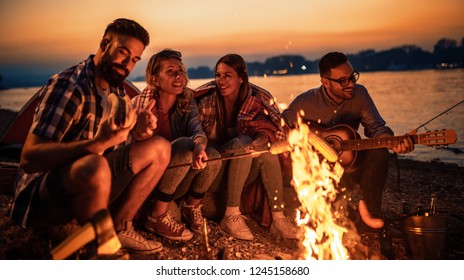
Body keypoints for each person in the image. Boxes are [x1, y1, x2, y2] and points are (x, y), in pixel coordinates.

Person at [10, 18, 171, 256]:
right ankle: (103, 249)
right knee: (95, 164)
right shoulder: (70, 86)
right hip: (43, 196)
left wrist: (135, 132)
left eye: (134, 60)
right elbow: (29, 158)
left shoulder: (116, 88)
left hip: (94, 182)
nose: (127, 64)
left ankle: (117, 229)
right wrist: (97, 144)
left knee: (160, 147)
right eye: (122, 53)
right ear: (105, 43)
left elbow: (115, 142)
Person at [281, 51, 415, 232]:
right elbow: (283, 125)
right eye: (343, 80)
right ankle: (341, 215)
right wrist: (307, 138)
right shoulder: (305, 102)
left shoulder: (360, 94)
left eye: (352, 77)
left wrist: (391, 142)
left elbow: (376, 127)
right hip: (321, 175)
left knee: (379, 151)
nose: (351, 84)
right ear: (325, 82)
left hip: (352, 165)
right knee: (330, 222)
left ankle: (371, 216)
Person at [195, 54, 298, 240]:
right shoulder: (207, 101)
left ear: (241, 77)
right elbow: (195, 136)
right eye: (218, 75)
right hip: (213, 170)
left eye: (227, 75)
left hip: (243, 171)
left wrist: (259, 141)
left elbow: (268, 130)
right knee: (242, 143)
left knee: (266, 151)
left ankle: (278, 219)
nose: (221, 81)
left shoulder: (256, 99)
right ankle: (231, 215)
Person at [132, 49, 221, 241]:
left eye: (180, 70)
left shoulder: (187, 101)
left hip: (175, 181)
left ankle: (190, 207)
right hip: (146, 182)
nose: (179, 75)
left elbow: (197, 131)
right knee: (182, 145)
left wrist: (199, 147)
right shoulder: (140, 104)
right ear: (155, 80)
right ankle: (155, 216)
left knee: (213, 156)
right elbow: (130, 155)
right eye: (170, 71)